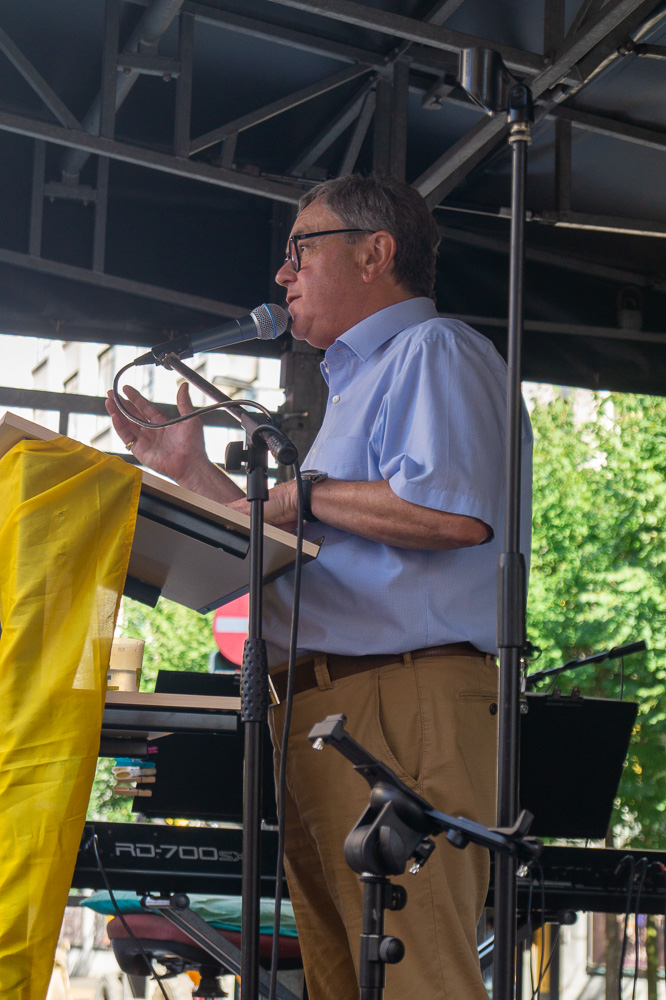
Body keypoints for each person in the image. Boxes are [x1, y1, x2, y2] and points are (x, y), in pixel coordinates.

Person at [106, 173, 533, 1000]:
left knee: (415, 978)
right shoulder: (354, 386)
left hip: (398, 697)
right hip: (323, 707)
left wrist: (306, 494)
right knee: (342, 979)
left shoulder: (433, 349)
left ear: (376, 253)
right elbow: (297, 545)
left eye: (300, 249)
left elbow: (453, 513)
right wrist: (193, 474)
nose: (282, 273)